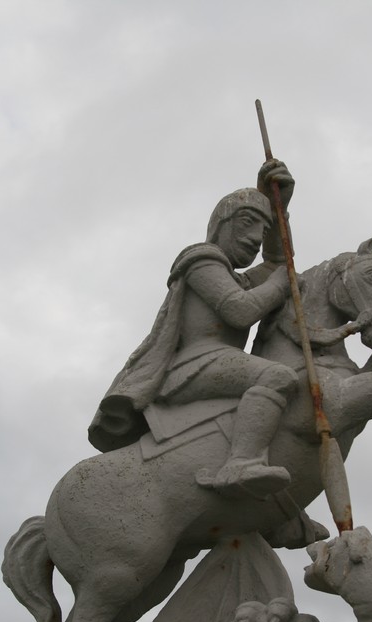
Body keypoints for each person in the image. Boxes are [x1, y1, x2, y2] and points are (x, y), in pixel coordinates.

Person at [89, 161, 299, 498]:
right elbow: (240, 310)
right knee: (277, 377)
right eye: (247, 224)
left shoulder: (238, 277)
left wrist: (278, 208)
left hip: (216, 362)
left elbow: (278, 263)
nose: (255, 238)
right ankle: (242, 463)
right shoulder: (202, 260)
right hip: (191, 366)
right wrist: (279, 285)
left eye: (262, 231)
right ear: (221, 224)